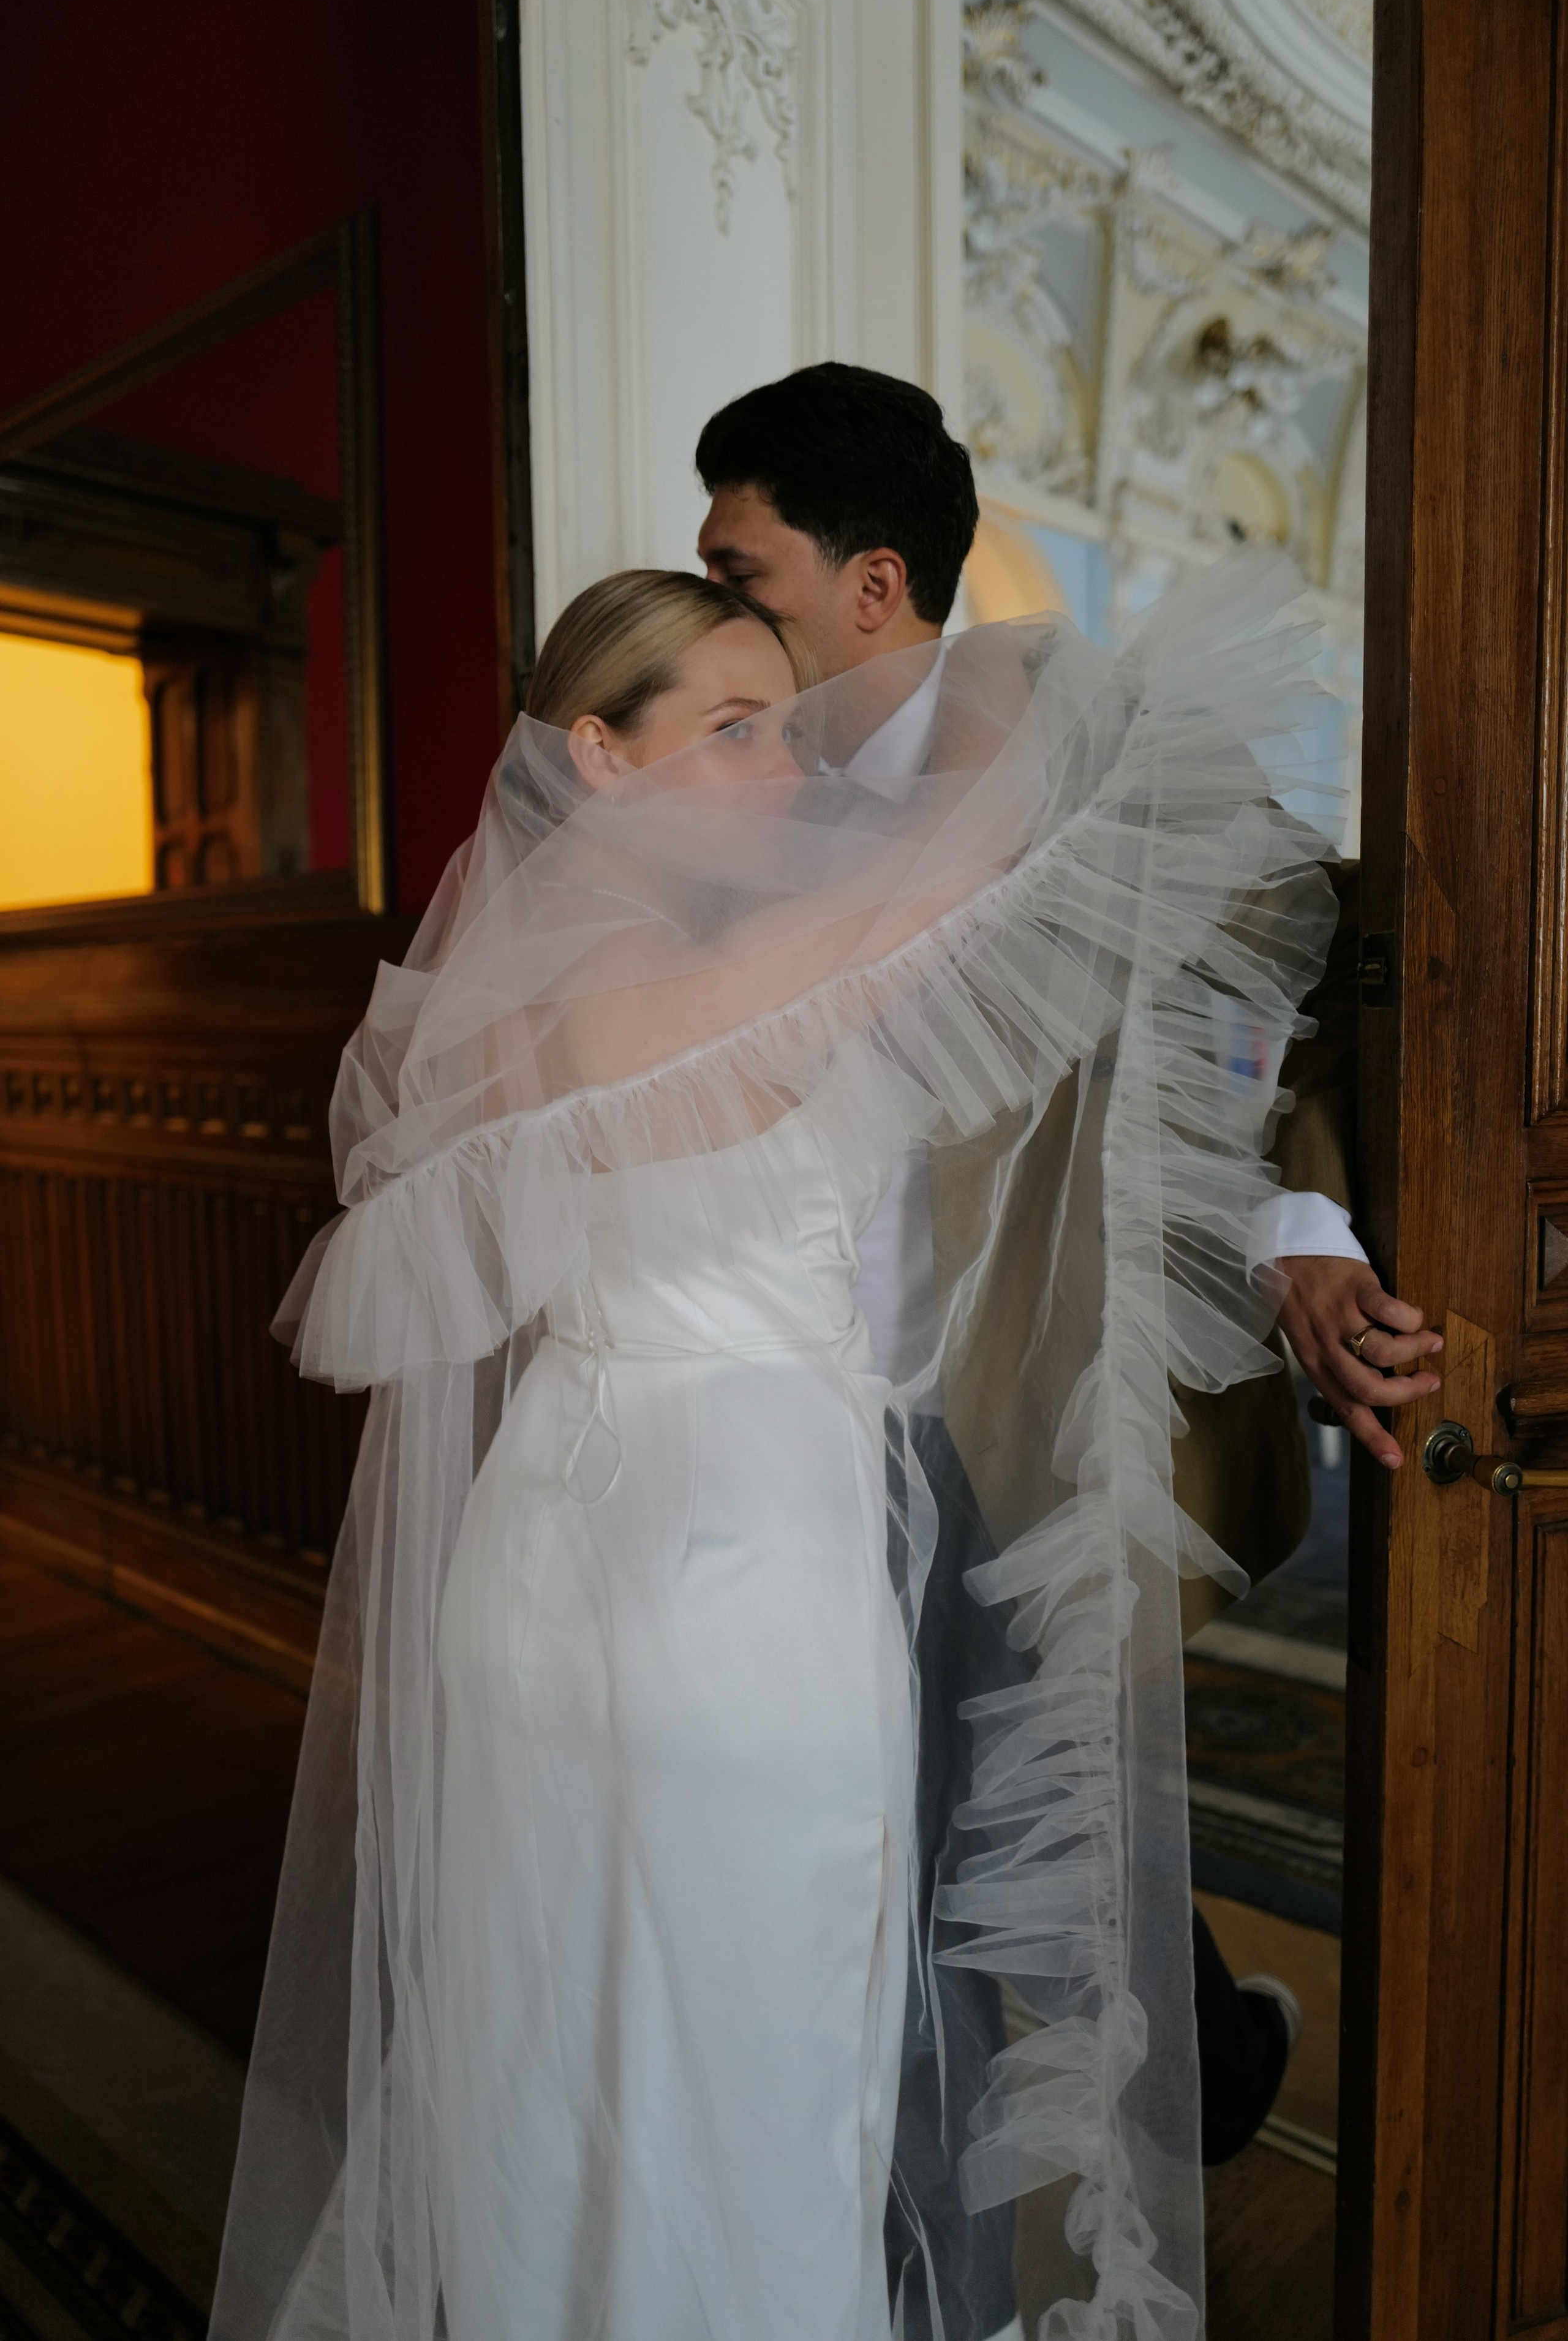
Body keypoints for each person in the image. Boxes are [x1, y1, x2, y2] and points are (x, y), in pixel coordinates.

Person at [214, 545, 1388, 2341]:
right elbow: (968, 848)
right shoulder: (689, 982)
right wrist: (1010, 673)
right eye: (745, 728)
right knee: (755, 2063)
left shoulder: (551, 992)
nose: (798, 766)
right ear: (598, 756)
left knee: (566, 2052)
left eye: (797, 724)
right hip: (727, 1591)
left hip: (564, 1553)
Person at [695, 362, 1441, 2316]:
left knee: (1021, 1806)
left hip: (1033, 1391)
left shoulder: (1094, 737)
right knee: (913, 1843)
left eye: (740, 563)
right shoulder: (737, 760)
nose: (710, 600)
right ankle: (927, 2242)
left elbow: (1275, 949)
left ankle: (1070, 2176)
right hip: (787, 1407)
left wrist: (1283, 1227)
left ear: (872, 585)